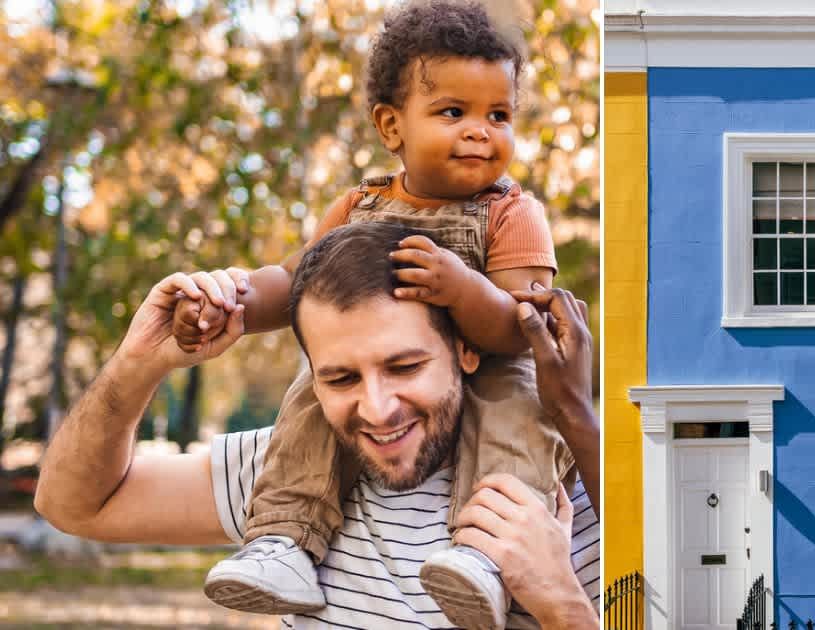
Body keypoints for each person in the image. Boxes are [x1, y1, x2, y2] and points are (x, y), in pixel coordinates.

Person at [166, 1, 578, 626]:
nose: (480, 131)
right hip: (382, 364)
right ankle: (284, 539)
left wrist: (462, 287)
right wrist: (235, 305)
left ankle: (486, 558)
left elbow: (520, 326)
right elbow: (296, 281)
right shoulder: (359, 204)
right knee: (315, 391)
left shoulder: (513, 213)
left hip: (490, 364)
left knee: (518, 417)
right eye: (453, 112)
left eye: (499, 115)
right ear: (392, 127)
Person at [34, 220, 600, 629]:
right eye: (340, 379)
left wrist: (563, 606)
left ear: (466, 350)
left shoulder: (565, 500)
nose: (377, 410)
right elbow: (74, 504)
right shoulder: (296, 471)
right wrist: (140, 361)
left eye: (405, 366)